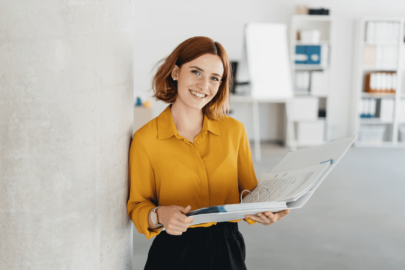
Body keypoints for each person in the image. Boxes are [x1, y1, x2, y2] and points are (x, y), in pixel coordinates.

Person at [127, 36, 290, 270]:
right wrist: (161, 215)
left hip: (228, 248)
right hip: (173, 252)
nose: (204, 86)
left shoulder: (235, 131)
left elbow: (249, 193)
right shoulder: (146, 139)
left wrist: (266, 210)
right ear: (175, 72)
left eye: (215, 78)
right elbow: (136, 205)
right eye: (196, 72)